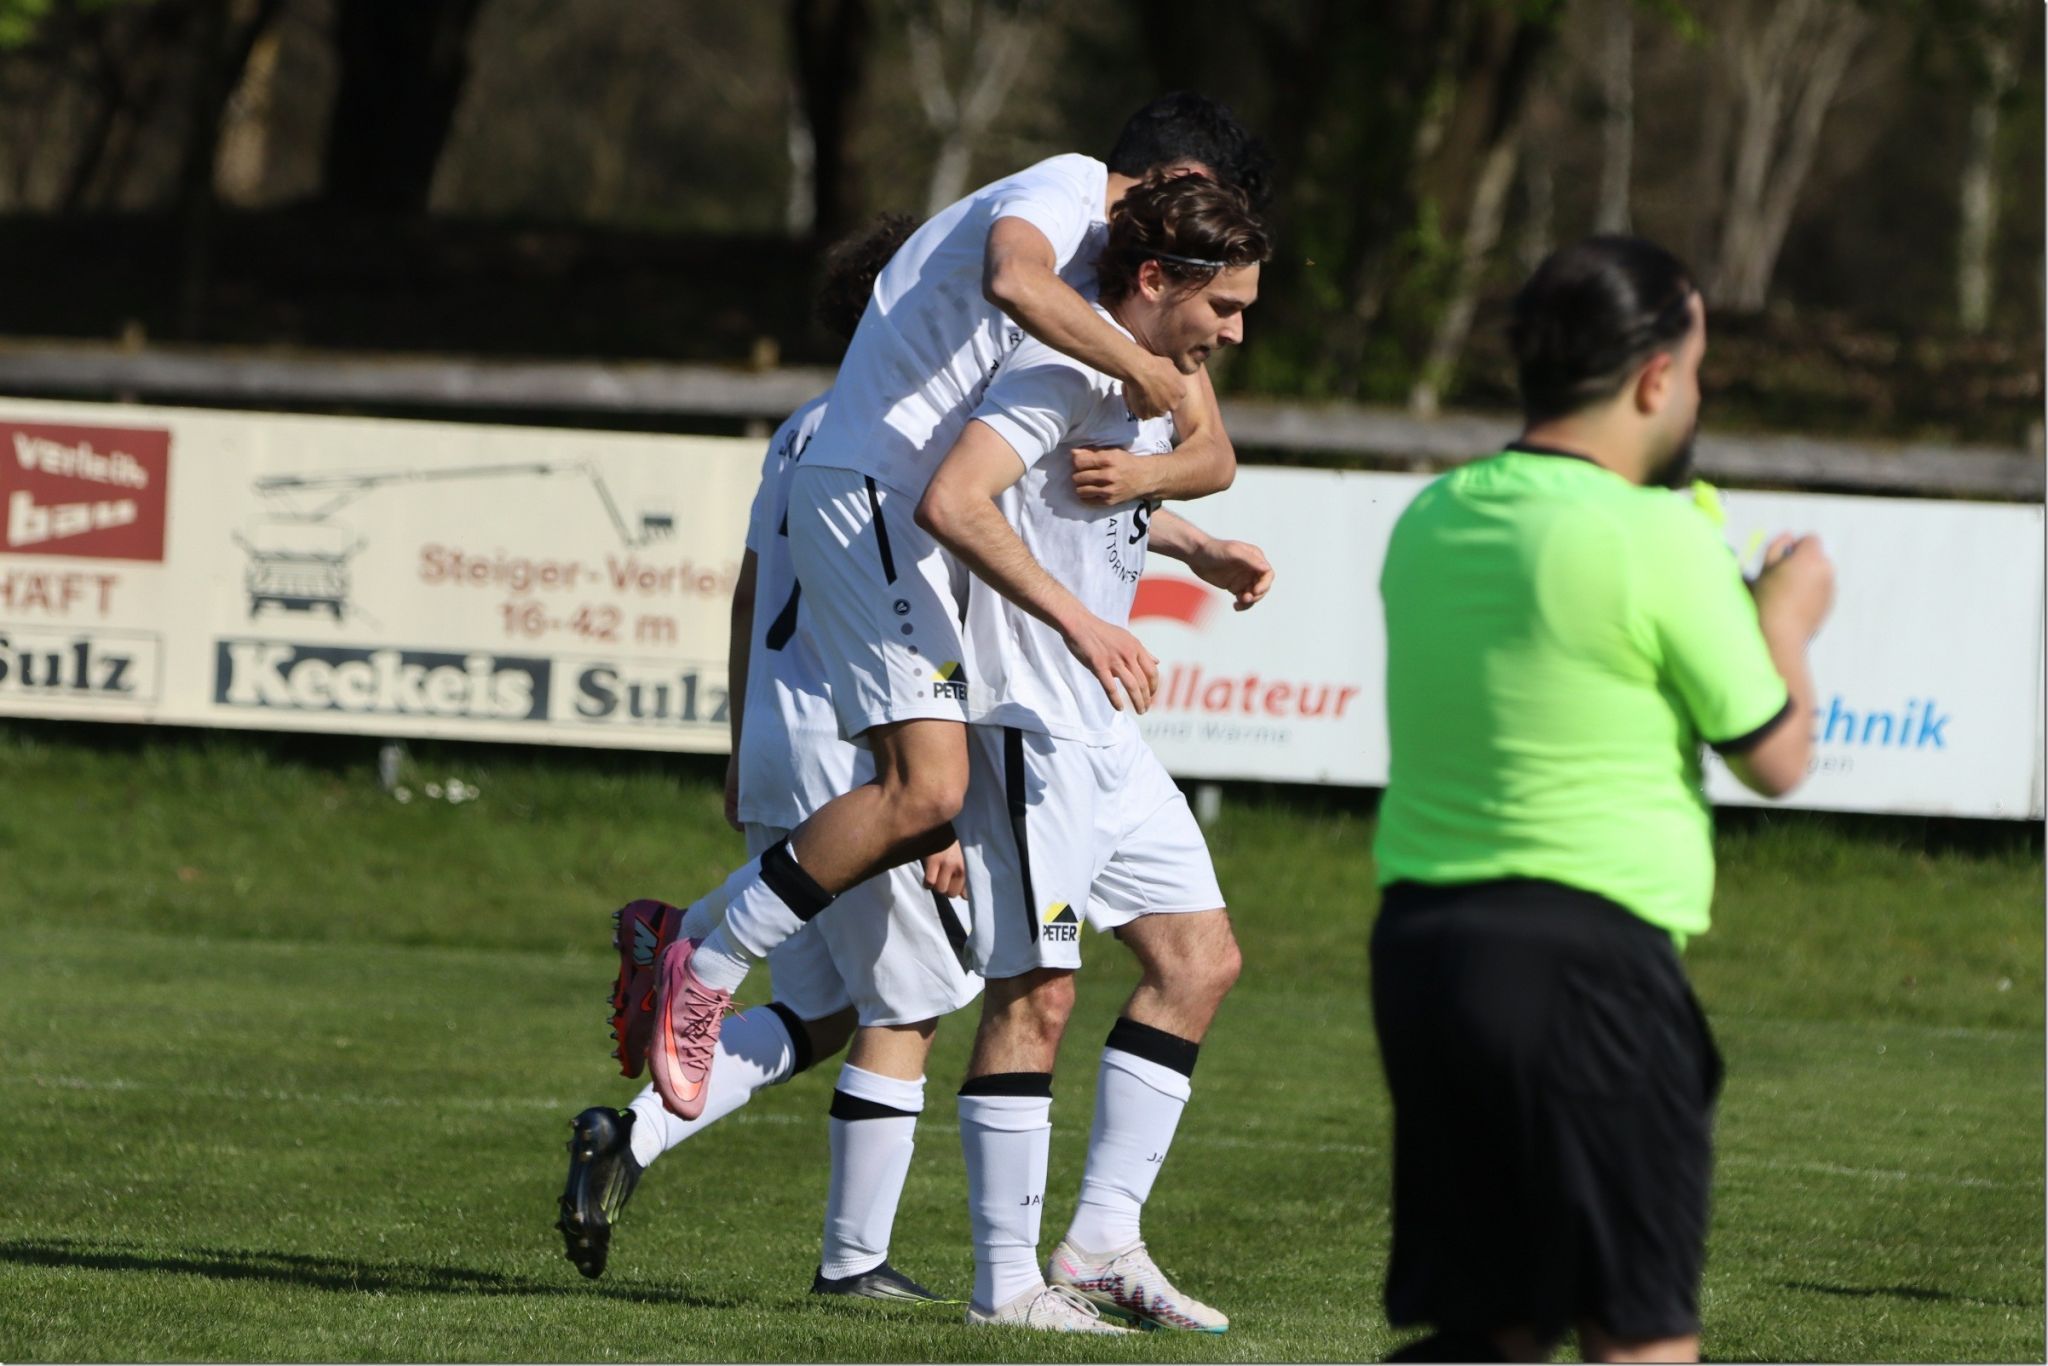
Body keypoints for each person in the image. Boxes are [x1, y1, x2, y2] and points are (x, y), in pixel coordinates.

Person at [631, 94, 1276, 1122]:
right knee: (926, 789)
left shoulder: (1105, 289)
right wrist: (1134, 368)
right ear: (1179, 191)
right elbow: (1007, 276)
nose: (1230, 324)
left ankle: (693, 946)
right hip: (875, 487)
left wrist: (1188, 533)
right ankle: (700, 963)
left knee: (925, 790)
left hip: (892, 502)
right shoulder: (1061, 190)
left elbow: (1200, 444)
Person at [1369, 236, 1835, 1364]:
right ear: (1654, 378)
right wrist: (1785, 611)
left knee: (1483, 1324)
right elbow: (1774, 753)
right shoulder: (1654, 538)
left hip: (1424, 951)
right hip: (1586, 962)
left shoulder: (1430, 516)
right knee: (1634, 1332)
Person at [563, 214, 981, 1302]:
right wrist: (939, 810)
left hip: (781, 736)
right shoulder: (920, 433)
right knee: (908, 1006)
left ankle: (630, 1135)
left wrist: (740, 744)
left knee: (821, 1011)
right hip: (866, 753)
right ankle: (854, 1265)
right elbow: (941, 613)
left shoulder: (802, 425)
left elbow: (752, 591)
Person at [915, 173, 1275, 1333]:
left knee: (1199, 960)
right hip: (1027, 718)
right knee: (1037, 989)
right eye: (1221, 308)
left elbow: (1086, 506)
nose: (1232, 331)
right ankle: (1002, 1284)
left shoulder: (1144, 385)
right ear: (1155, 280)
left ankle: (1099, 1244)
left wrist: (1194, 544)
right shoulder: (1056, 367)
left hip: (1103, 737)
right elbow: (957, 500)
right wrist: (1078, 623)